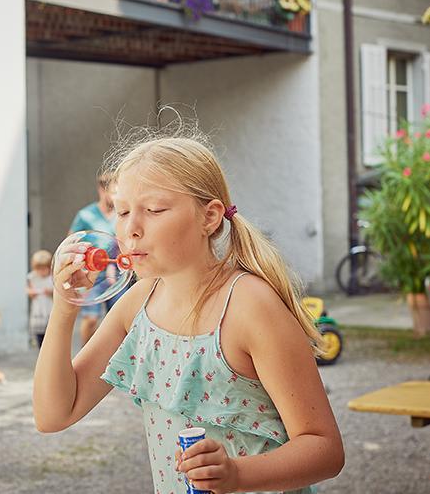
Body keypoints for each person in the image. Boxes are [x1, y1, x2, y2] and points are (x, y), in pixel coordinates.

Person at [34, 134, 344, 494]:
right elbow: (54, 415)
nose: (131, 228)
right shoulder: (139, 304)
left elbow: (325, 449)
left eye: (153, 210)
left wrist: (238, 474)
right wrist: (64, 307)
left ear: (209, 217)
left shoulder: (250, 307)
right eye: (120, 211)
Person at [69, 173, 124, 346]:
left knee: (118, 319)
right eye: (113, 193)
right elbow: (70, 241)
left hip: (117, 272)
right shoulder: (85, 215)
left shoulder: (121, 214)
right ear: (102, 190)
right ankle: (84, 356)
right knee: (91, 318)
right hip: (91, 273)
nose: (117, 197)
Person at [26, 250, 54, 348]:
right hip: (38, 309)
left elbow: (56, 292)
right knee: (39, 334)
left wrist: (50, 291)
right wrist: (32, 292)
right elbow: (28, 290)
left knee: (50, 334)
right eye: (39, 269)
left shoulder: (52, 278)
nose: (41, 272)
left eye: (44, 269)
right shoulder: (32, 277)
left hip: (49, 308)